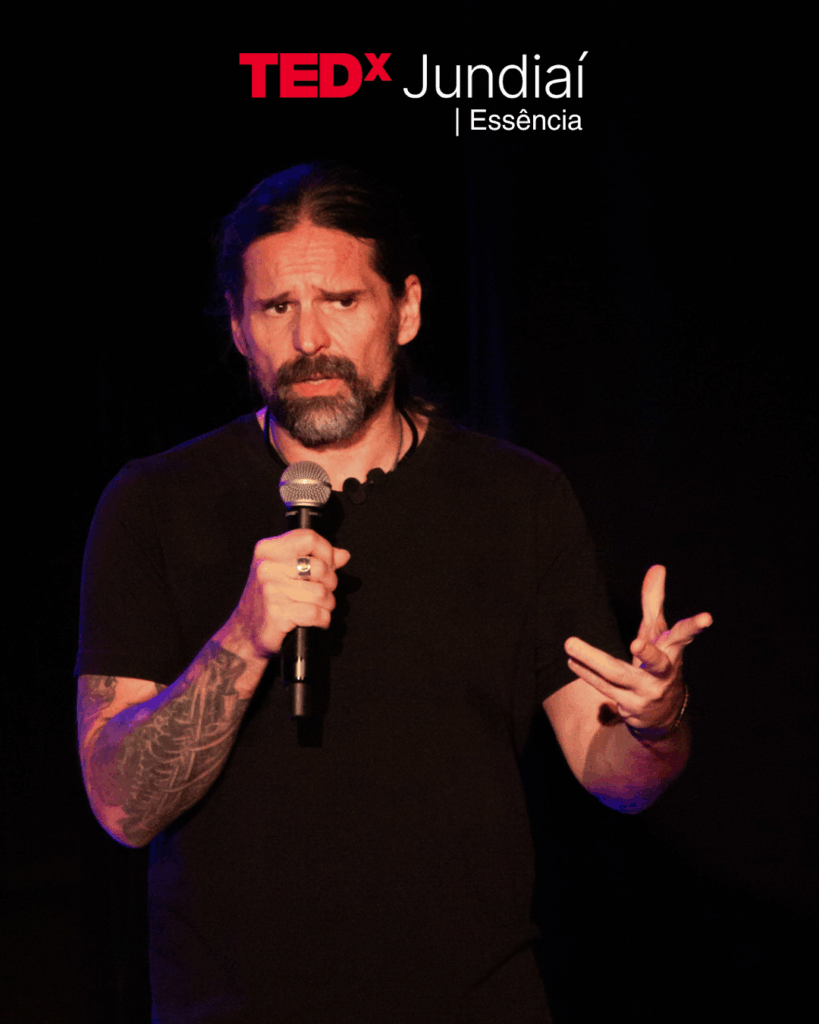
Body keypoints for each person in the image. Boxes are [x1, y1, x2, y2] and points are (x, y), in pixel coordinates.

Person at [77, 162, 712, 1023]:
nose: (309, 338)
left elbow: (616, 779)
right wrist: (243, 638)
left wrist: (655, 721)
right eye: (276, 307)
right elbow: (123, 807)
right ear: (237, 326)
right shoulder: (155, 503)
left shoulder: (516, 499)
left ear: (405, 309)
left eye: (341, 300)